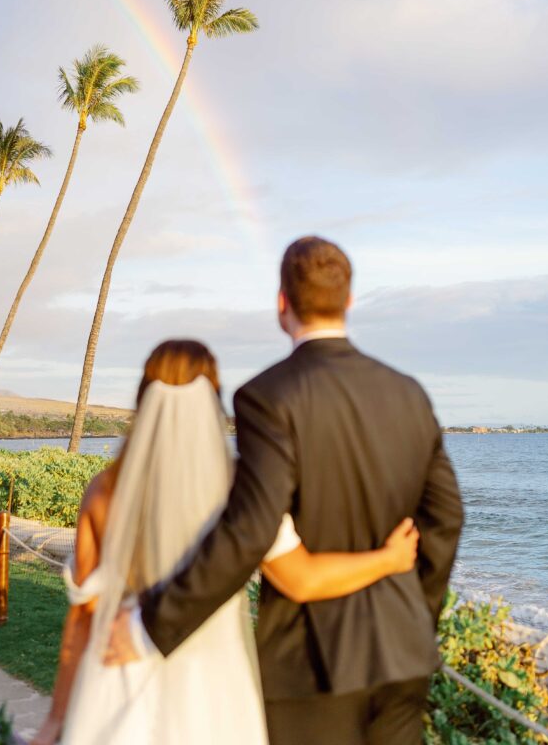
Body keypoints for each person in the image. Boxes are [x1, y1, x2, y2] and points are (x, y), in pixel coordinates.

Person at [107, 237, 464, 745]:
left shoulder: (268, 397)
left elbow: (252, 527)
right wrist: (415, 613)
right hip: (403, 656)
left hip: (310, 664)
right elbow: (447, 517)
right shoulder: (409, 393)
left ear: (282, 304)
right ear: (349, 300)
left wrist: (152, 625)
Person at [32, 338, 421, 745]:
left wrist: (55, 720)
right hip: (212, 688)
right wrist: (388, 559)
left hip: (118, 673)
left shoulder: (105, 491)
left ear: (143, 399)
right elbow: (302, 579)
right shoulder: (243, 489)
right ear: (214, 400)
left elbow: (83, 617)